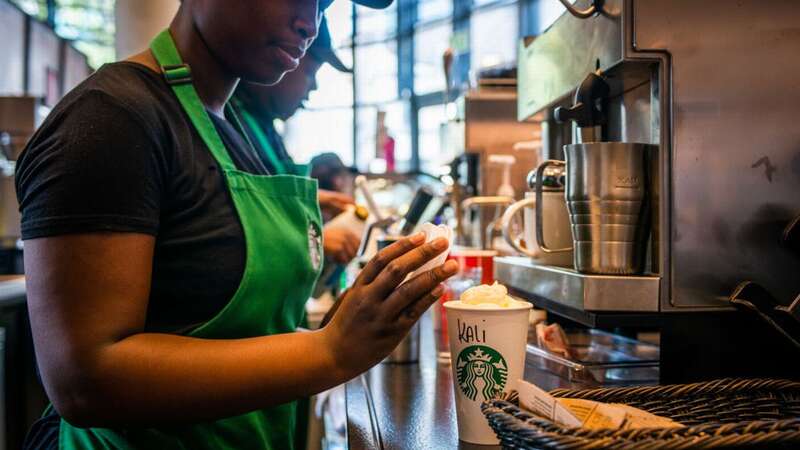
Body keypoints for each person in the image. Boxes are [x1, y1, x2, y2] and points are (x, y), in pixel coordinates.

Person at [17, 1, 457, 449]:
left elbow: (229, 329)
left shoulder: (234, 131)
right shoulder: (110, 118)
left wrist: (352, 320)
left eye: (325, 4)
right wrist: (330, 349)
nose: (311, 22)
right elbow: (86, 380)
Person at [232, 16, 360, 264]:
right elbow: (232, 229)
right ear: (282, 58)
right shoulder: (231, 123)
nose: (313, 89)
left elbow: (268, 192)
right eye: (311, 73)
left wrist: (317, 197)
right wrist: (311, 241)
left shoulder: (264, 126)